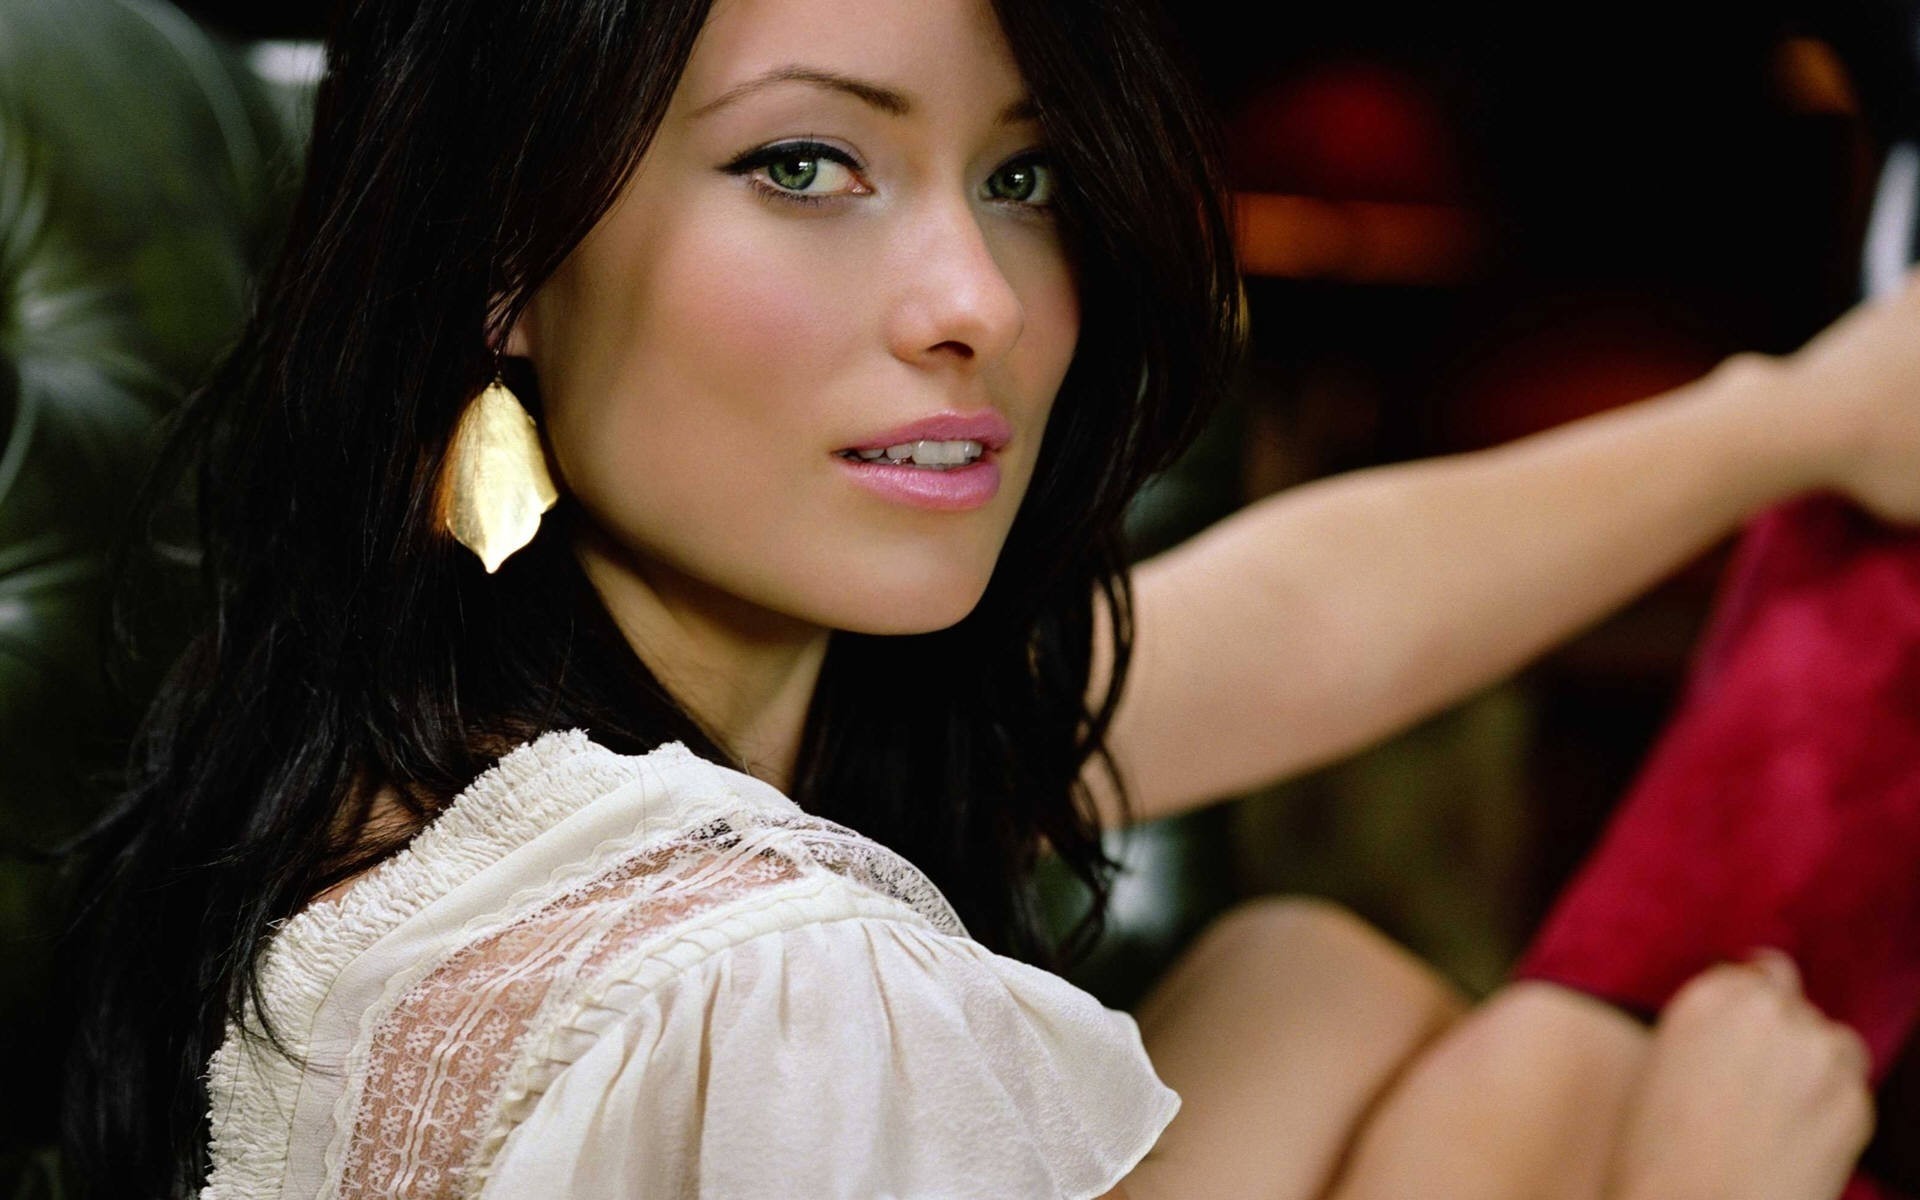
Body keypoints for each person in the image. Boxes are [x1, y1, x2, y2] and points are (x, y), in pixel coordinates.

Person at [55, 0, 1920, 1196]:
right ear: (506, 254)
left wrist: (1799, 421)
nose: (981, 299)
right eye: (805, 164)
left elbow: (1297, 623)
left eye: (1023, 173)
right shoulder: (776, 988)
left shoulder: (450, 769)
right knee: (1543, 1075)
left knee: (1307, 985)